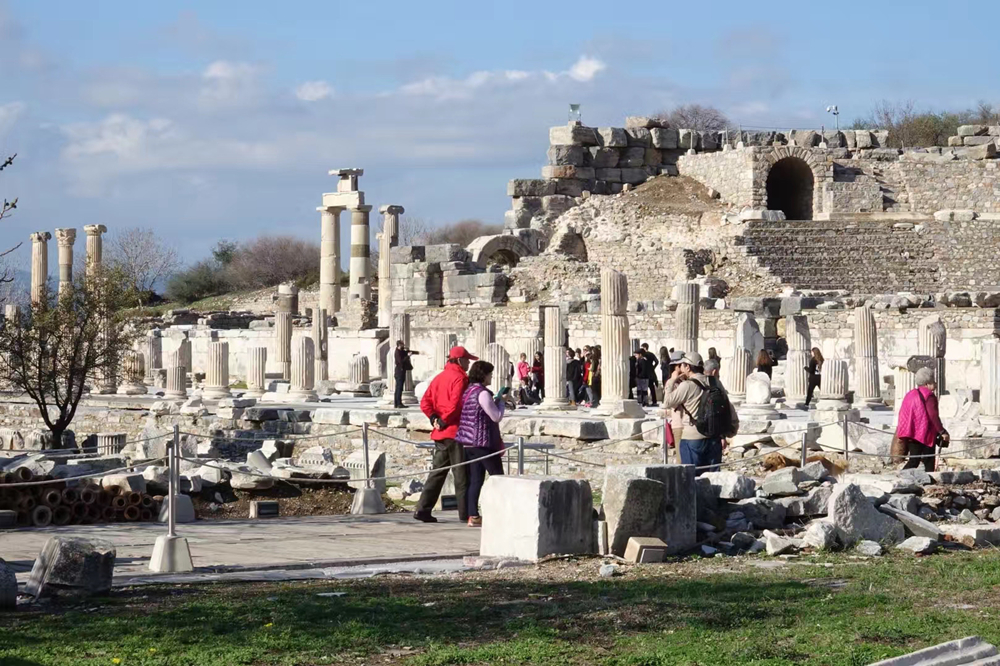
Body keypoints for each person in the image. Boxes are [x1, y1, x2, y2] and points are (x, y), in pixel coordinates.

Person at [414, 346, 477, 523]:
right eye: (467, 360)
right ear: (459, 360)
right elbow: (456, 404)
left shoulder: (439, 377)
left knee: (437, 474)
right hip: (456, 431)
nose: (468, 363)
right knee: (462, 475)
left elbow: (425, 402)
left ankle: (423, 509)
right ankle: (466, 514)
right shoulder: (460, 378)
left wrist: (434, 418)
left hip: (440, 433)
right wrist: (444, 420)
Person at [662, 351, 739, 475]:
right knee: (713, 479)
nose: (680, 367)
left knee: (692, 478)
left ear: (688, 367)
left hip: (692, 437)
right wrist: (730, 429)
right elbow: (727, 406)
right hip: (714, 436)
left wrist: (672, 380)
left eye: (682, 364)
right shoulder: (715, 382)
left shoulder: (686, 386)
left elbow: (667, 402)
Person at [456, 360, 507, 526]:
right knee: (498, 477)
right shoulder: (483, 393)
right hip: (482, 442)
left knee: (476, 480)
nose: (491, 377)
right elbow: (496, 416)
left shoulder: (468, 391)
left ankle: (473, 516)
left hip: (468, 442)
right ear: (483, 375)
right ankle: (500, 513)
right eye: (490, 374)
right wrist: (502, 401)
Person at [896, 367, 949, 472]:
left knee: (914, 460)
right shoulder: (929, 396)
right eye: (933, 381)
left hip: (910, 431)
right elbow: (933, 416)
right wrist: (942, 431)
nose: (935, 384)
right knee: (928, 460)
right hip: (923, 433)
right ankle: (928, 479)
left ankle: (904, 477)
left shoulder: (910, 394)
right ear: (927, 384)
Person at [392, 340, 418, 409]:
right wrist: (408, 356)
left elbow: (408, 352)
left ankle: (397, 403)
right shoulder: (397, 352)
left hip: (401, 371)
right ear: (399, 345)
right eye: (402, 345)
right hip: (399, 372)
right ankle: (398, 403)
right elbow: (401, 361)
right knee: (399, 388)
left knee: (399, 388)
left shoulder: (401, 351)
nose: (403, 346)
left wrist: (417, 352)